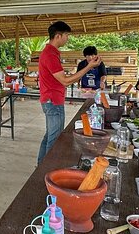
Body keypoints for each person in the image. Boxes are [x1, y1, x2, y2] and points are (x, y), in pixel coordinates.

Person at [37, 21, 101, 164]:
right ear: (58, 36)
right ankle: (46, 169)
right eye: (66, 35)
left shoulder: (51, 53)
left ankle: (41, 164)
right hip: (53, 101)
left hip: (50, 99)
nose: (67, 38)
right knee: (54, 138)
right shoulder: (50, 55)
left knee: (50, 136)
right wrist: (88, 67)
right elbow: (65, 81)